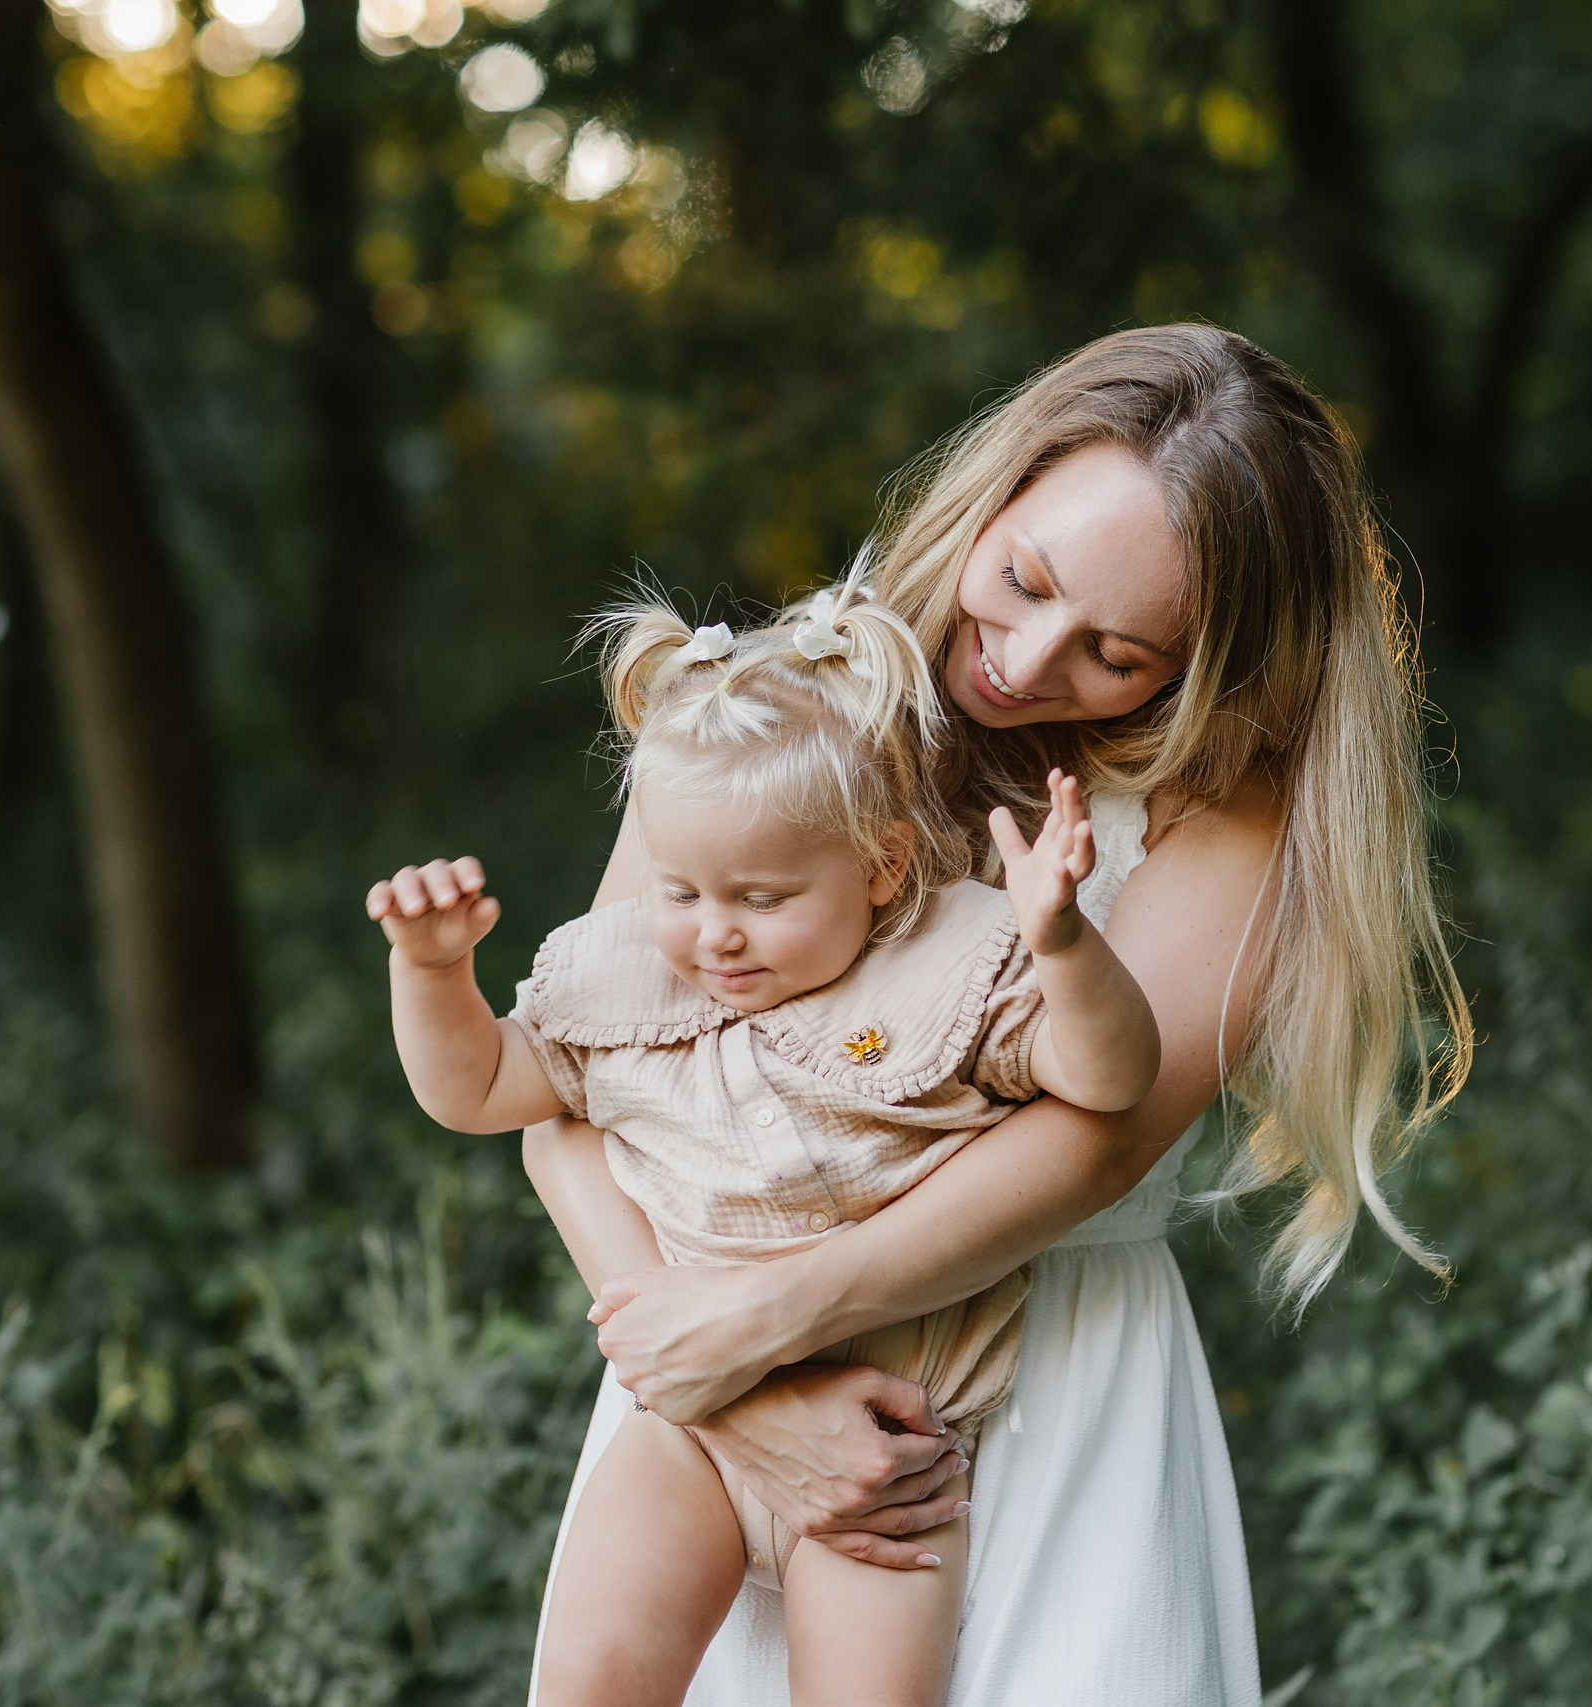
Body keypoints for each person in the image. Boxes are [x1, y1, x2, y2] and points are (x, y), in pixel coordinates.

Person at [523, 323, 1472, 1705]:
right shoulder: (788, 708)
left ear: (1208, 666)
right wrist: (724, 1379)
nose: (1026, 660)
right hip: (702, 1374)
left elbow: (1094, 1143)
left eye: (1117, 652)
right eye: (1024, 579)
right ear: (996, 488)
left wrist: (773, 1320)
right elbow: (575, 1080)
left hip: (1043, 1385)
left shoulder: (1231, 809)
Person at [367, 589, 1163, 1705]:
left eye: (761, 896)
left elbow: (1111, 1079)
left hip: (889, 1456)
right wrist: (431, 973)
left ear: (882, 868)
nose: (715, 933)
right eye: (681, 891)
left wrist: (1064, 946)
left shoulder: (946, 971)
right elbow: (480, 1089)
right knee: (589, 1676)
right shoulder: (628, 984)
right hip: (688, 1434)